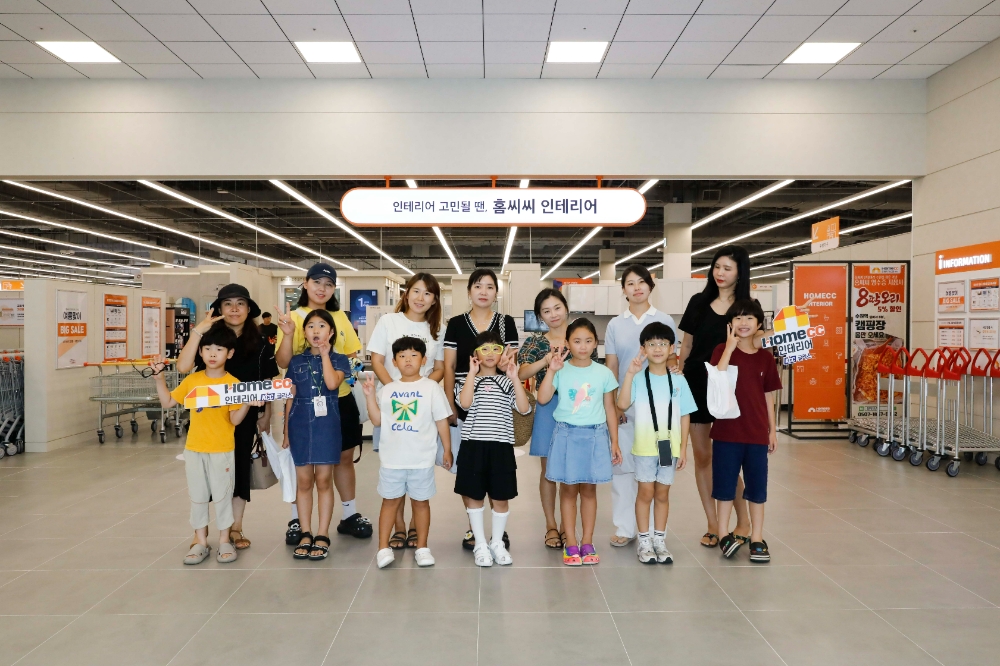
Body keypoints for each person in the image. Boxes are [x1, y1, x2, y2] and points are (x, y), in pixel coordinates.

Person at [274, 263, 372, 547]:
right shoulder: (292, 318)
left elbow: (353, 354)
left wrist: (346, 377)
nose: (322, 288)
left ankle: (349, 514)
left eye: (328, 284)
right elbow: (283, 362)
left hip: (339, 398)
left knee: (342, 458)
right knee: (302, 462)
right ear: (305, 284)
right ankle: (298, 519)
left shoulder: (340, 316)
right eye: (316, 282)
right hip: (304, 402)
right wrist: (290, 334)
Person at [176, 283, 276, 552]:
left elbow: (266, 381)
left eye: (240, 303)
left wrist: (266, 414)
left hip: (243, 416)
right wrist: (198, 329)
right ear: (218, 309)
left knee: (239, 471)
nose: (234, 308)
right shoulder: (208, 338)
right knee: (205, 476)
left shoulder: (261, 342)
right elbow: (184, 366)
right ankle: (202, 533)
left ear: (248, 309)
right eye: (228, 303)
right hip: (207, 419)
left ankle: (235, 528)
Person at [149, 329, 258, 565]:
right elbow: (168, 402)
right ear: (200, 351)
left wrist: (248, 403)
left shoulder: (233, 384)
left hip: (222, 449)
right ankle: (200, 541)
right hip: (195, 449)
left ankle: (225, 540)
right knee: (197, 496)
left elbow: (235, 420)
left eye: (219, 349)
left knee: (222, 495)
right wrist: (159, 379)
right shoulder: (193, 380)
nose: (212, 354)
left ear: (229, 354)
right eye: (208, 349)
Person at [678, 245, 755, 550]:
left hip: (728, 387)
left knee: (727, 458)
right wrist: (678, 380)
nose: (720, 273)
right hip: (696, 384)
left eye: (728, 268)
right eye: (717, 267)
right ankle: (712, 523)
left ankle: (744, 521)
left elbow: (753, 346)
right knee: (703, 457)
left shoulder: (746, 306)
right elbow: (686, 347)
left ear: (740, 272)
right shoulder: (698, 302)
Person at [366, 273, 445, 550]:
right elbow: (377, 360)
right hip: (389, 410)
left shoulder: (438, 330)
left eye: (428, 293)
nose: (421, 298)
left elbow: (438, 368)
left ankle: (415, 528)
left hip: (421, 413)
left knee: (419, 470)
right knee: (393, 470)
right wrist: (395, 390)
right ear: (406, 293)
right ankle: (399, 528)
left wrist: (420, 390)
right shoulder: (388, 322)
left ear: (435, 300)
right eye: (416, 291)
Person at [444, 268, 519, 551]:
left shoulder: (505, 322)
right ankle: (474, 529)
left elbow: (509, 362)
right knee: (470, 472)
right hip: (464, 399)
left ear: (496, 293)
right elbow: (450, 366)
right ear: (469, 292)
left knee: (496, 470)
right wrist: (450, 406)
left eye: (489, 287)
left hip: (494, 403)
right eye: (478, 286)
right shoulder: (455, 324)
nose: (484, 291)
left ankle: (498, 532)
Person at [604, 264, 678, 548]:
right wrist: (612, 406)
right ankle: (625, 528)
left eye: (641, 282)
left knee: (659, 472)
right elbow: (612, 366)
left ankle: (656, 534)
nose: (636, 287)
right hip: (625, 406)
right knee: (622, 469)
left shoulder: (664, 320)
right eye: (630, 283)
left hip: (659, 414)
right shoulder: (615, 324)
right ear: (623, 290)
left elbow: (672, 360)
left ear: (650, 285)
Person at [517, 288, 597, 550]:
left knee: (572, 469)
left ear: (566, 307)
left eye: (557, 308)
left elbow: (592, 372)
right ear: (540, 316)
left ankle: (567, 526)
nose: (553, 315)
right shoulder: (535, 342)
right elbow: (521, 372)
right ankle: (551, 524)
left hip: (579, 408)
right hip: (548, 404)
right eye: (546, 311)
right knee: (549, 470)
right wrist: (546, 360)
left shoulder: (580, 336)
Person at [363, 336, 452, 569]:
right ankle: (383, 548)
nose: (408, 360)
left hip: (421, 459)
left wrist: (447, 449)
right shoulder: (389, 389)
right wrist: (370, 396)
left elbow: (442, 421)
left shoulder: (431, 388)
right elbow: (377, 420)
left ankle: (422, 547)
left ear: (424, 360)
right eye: (402, 356)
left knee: (421, 503)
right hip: (392, 460)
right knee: (389, 502)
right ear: (394, 361)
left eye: (413, 355)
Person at [538, 318, 621, 566]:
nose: (583, 346)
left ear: (596, 343)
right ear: (567, 343)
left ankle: (587, 541)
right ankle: (571, 543)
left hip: (595, 436)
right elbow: (542, 399)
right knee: (568, 490)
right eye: (576, 341)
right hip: (566, 434)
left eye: (588, 341)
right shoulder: (561, 369)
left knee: (589, 490)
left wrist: (614, 442)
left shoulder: (604, 373)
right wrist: (551, 369)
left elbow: (610, 408)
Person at [616, 322, 696, 564]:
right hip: (644, 447)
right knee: (645, 492)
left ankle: (659, 540)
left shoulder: (679, 381)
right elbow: (622, 404)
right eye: (652, 344)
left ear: (672, 347)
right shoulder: (639, 379)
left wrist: (682, 448)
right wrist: (629, 373)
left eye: (663, 344)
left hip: (668, 448)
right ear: (643, 348)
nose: (658, 348)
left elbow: (685, 414)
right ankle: (644, 541)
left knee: (662, 494)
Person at [710, 300, 781, 563]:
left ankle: (758, 537)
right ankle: (723, 533)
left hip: (756, 434)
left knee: (757, 488)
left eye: (749, 318)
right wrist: (729, 347)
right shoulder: (721, 350)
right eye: (738, 318)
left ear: (759, 324)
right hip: (726, 432)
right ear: (730, 324)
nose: (743, 323)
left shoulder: (765, 357)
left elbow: (768, 396)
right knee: (725, 486)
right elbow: (718, 377)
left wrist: (772, 431)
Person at [455, 331, 532, 567]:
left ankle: (496, 542)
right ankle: (480, 543)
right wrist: (471, 373)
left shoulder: (508, 381)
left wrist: (514, 377)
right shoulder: (466, 381)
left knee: (500, 498)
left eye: (496, 349)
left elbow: (524, 408)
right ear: (475, 354)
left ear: (502, 354)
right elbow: (465, 403)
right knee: (474, 497)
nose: (490, 354)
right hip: (473, 447)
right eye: (484, 349)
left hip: (501, 448)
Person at [282, 310, 353, 561]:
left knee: (324, 480)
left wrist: (325, 355)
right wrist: (285, 431)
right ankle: (305, 532)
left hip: (327, 426)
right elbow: (288, 396)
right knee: (303, 482)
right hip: (299, 424)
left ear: (331, 332)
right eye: (310, 326)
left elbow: (332, 384)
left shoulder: (340, 359)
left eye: (321, 326)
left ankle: (322, 534)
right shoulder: (295, 361)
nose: (315, 331)